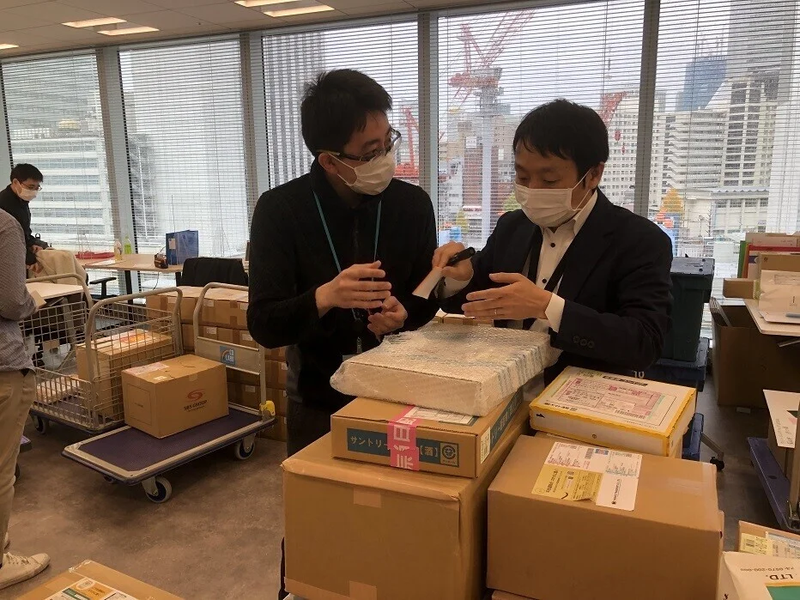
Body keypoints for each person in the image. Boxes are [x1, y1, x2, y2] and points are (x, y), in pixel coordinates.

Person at [248, 69, 438, 600]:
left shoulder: (410, 205)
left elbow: (428, 296)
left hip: (401, 394)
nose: (384, 159)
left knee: (397, 525)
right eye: (368, 150)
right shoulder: (281, 211)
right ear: (329, 159)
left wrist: (407, 314)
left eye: (387, 143)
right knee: (318, 524)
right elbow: (263, 323)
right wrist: (324, 297)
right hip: (317, 395)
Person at [435, 99, 672, 382]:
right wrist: (459, 277)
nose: (532, 191)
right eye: (522, 176)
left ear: (594, 174)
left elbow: (644, 343)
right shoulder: (513, 226)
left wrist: (548, 307)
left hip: (578, 399)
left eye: (549, 181)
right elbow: (473, 300)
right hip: (502, 385)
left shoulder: (639, 240)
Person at [0, 209, 50, 591]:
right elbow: (12, 303)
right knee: (1, 470)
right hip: (2, 366)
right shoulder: (4, 225)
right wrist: (32, 298)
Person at [0, 164, 44, 272]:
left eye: (37, 188)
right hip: (9, 257)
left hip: (21, 250)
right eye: (30, 187)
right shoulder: (4, 203)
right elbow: (12, 238)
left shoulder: (22, 201)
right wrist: (30, 259)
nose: (34, 191)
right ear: (15, 183)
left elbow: (24, 231)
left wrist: (32, 244)